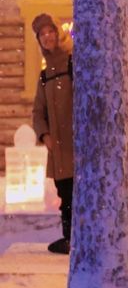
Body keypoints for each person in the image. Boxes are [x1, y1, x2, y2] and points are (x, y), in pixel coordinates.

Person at [31, 13, 73, 255]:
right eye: (42, 34)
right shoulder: (45, 75)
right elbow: (38, 111)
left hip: (76, 145)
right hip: (57, 147)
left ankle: (80, 238)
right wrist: (44, 135)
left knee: (79, 193)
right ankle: (69, 238)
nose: (47, 37)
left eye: (50, 31)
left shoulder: (72, 63)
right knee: (64, 193)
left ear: (58, 33)